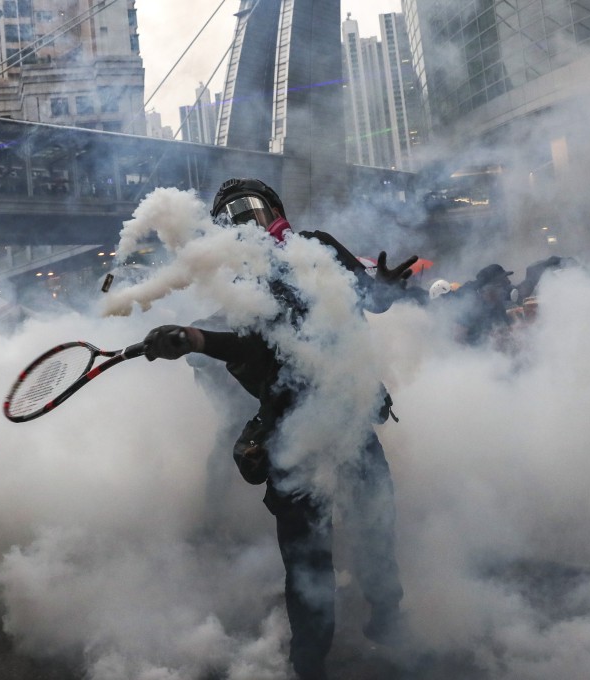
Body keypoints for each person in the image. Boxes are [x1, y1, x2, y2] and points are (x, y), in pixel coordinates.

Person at [141, 178, 416, 680]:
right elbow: (248, 344)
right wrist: (195, 338)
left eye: (253, 208)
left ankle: (387, 618)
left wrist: (386, 288)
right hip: (292, 433)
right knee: (308, 559)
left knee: (376, 523)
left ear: (275, 208)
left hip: (351, 416)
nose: (246, 220)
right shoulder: (239, 281)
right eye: (231, 215)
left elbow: (369, 299)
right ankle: (309, 663)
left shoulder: (317, 246)